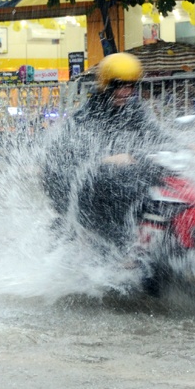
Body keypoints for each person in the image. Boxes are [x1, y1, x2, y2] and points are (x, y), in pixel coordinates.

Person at [41, 52, 176, 248]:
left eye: (130, 85)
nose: (125, 91)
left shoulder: (132, 108)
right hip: (71, 182)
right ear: (107, 85)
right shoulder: (89, 114)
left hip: (104, 175)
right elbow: (77, 154)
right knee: (114, 208)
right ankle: (117, 254)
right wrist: (107, 159)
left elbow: (156, 133)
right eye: (119, 85)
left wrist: (182, 146)